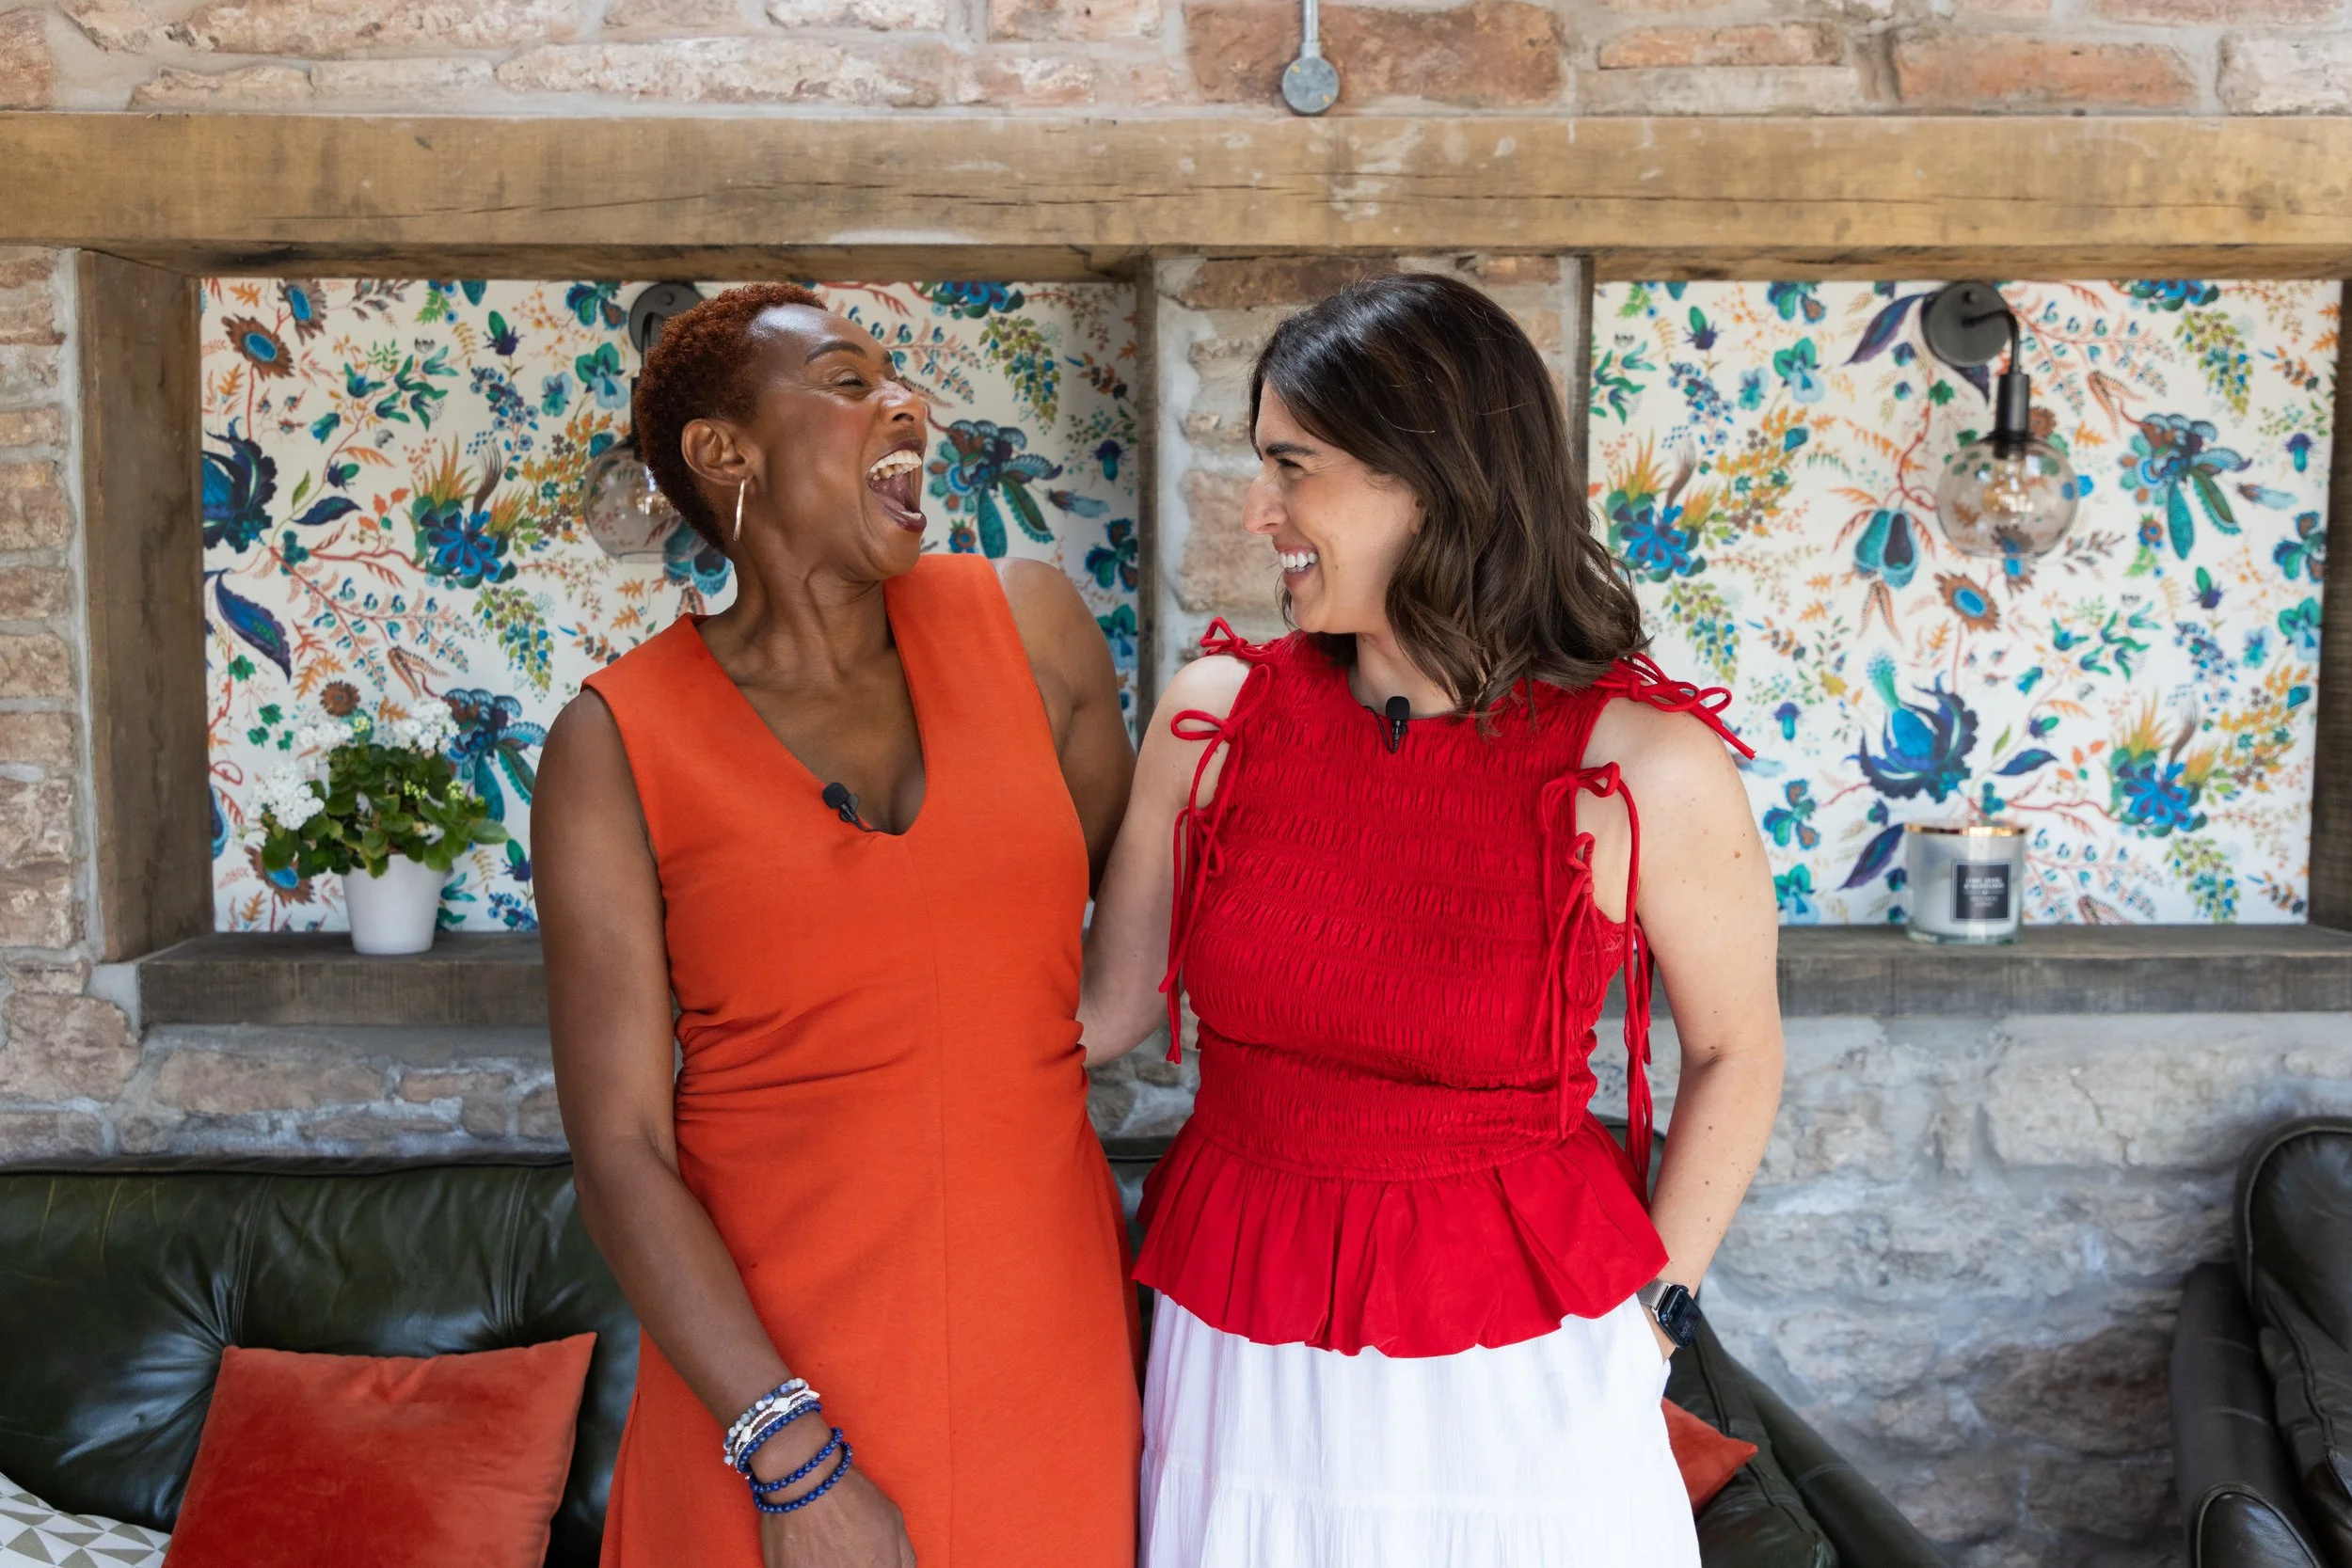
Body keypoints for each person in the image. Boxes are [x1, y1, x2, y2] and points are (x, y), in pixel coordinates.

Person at [1078, 272, 1787, 1568]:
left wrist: (1649, 1324)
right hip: (1240, 1353)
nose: (1260, 510)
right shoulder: (1215, 718)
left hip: (1521, 1374)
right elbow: (1104, 1012)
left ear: (1430, 478)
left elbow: (1740, 1051)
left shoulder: (1648, 766)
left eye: (1294, 467)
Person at [535, 281, 1141, 1568]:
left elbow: (1061, 952)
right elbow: (623, 1145)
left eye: (899, 379)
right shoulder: (614, 744)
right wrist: (790, 1455)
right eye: (851, 380)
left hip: (1049, 1376)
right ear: (723, 451)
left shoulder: (1033, 636)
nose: (903, 404)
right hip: (771, 1408)